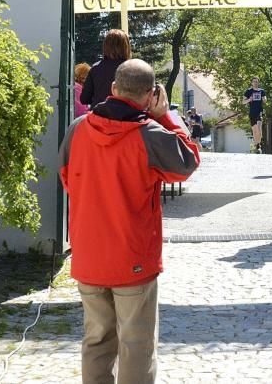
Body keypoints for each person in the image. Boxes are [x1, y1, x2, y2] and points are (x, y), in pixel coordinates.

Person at [58, 59, 200, 383]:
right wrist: (165, 115)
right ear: (150, 95)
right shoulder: (149, 133)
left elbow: (66, 177)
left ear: (113, 89)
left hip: (89, 256)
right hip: (132, 258)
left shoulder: (78, 129)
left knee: (96, 341)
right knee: (135, 344)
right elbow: (188, 161)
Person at [80, 29, 132, 109]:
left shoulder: (96, 68)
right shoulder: (133, 68)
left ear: (105, 46)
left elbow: (84, 99)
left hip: (99, 116)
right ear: (126, 46)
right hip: (127, 116)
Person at [242, 77, 266, 153]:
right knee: (255, 130)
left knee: (259, 128)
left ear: (258, 83)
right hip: (252, 113)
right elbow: (243, 102)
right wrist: (249, 99)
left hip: (259, 111)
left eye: (256, 82)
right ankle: (257, 145)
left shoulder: (261, 91)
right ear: (251, 83)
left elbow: (265, 99)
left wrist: (264, 99)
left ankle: (259, 144)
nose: (255, 83)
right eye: (254, 82)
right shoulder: (248, 91)